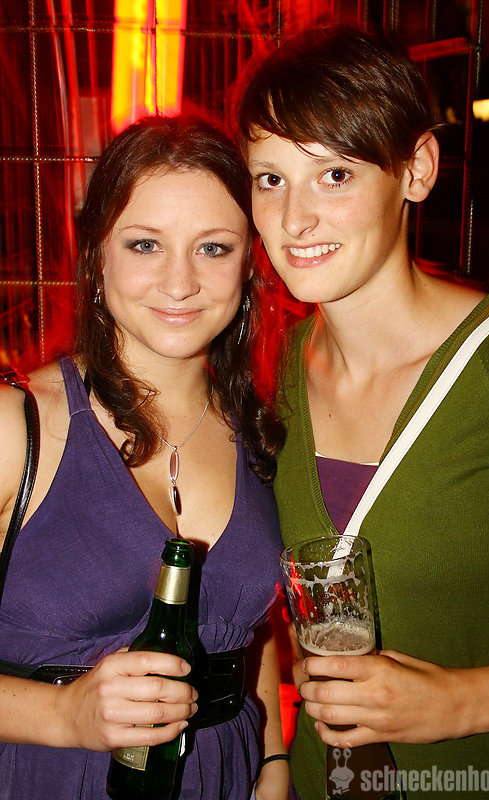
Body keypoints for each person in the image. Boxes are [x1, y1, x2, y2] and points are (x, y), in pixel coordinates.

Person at [236, 24, 489, 800]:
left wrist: (460, 703)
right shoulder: (272, 373)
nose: (294, 220)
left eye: (334, 175)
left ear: (417, 170)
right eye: (270, 179)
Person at [0, 115, 289, 800]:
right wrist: (63, 715)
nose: (180, 282)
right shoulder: (17, 427)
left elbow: (249, 632)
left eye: (213, 248)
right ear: (97, 256)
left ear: (249, 262)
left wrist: (273, 765)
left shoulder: (260, 429)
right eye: (145, 244)